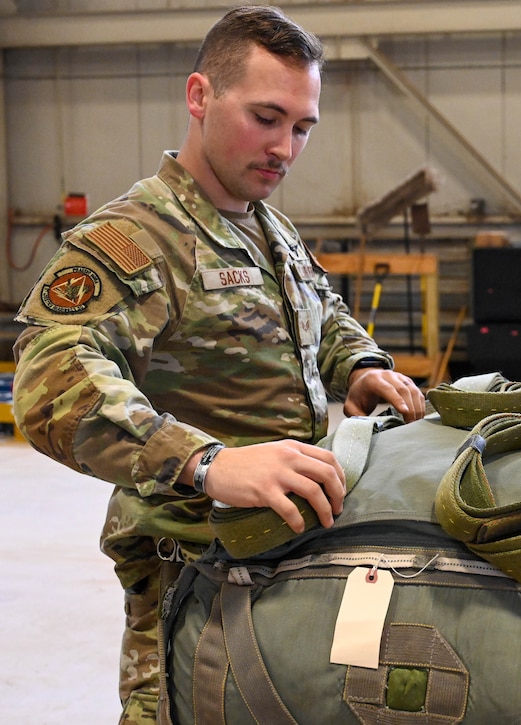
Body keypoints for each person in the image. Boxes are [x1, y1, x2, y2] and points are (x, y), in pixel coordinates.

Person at [11, 6, 427, 723]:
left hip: (283, 554)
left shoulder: (268, 226)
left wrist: (360, 365)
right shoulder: (135, 239)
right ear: (199, 97)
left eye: (301, 127)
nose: (286, 148)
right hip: (189, 574)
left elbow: (320, 309)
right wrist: (208, 462)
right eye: (267, 118)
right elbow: (51, 382)